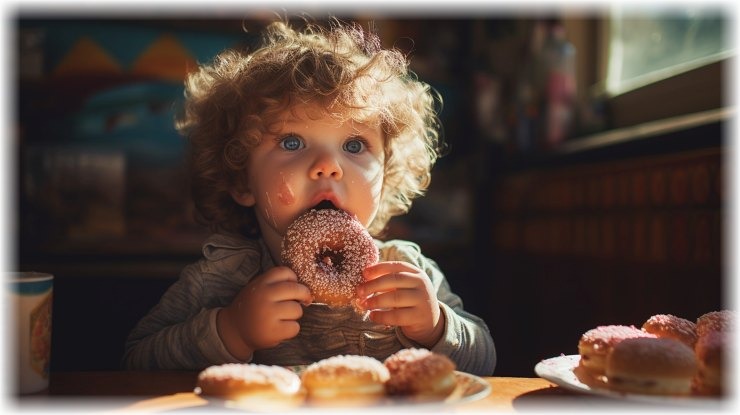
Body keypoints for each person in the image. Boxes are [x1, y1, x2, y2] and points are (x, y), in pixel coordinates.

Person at [123, 20, 496, 376]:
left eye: (354, 145)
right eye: (292, 142)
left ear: (386, 175)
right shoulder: (221, 278)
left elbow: (485, 362)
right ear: (242, 181)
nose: (328, 166)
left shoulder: (406, 269)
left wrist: (435, 326)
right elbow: (138, 360)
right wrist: (230, 331)